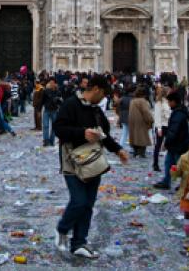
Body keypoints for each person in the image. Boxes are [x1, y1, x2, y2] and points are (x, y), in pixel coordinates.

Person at [54, 75, 128, 258]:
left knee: (88, 204)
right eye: (103, 94)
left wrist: (118, 150)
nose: (104, 99)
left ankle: (79, 242)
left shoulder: (96, 111)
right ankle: (62, 229)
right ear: (95, 89)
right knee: (78, 200)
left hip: (93, 162)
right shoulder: (71, 104)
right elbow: (59, 129)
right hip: (72, 163)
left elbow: (104, 135)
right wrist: (82, 133)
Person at [153, 90, 189, 190]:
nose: (169, 104)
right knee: (168, 163)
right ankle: (166, 181)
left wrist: (166, 142)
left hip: (178, 145)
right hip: (176, 144)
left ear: (174, 101)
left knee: (180, 165)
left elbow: (174, 130)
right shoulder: (179, 111)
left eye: (169, 102)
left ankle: (185, 184)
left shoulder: (178, 114)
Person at [128, 86, 154, 158]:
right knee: (142, 136)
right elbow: (146, 112)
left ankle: (135, 151)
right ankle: (141, 153)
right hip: (140, 121)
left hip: (132, 121)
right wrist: (150, 120)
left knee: (134, 136)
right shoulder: (142, 101)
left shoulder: (132, 101)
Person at [153, 85, 171, 172]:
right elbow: (157, 116)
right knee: (158, 146)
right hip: (162, 126)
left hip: (168, 126)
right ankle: (155, 164)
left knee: (170, 145)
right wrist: (159, 128)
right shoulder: (159, 102)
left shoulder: (168, 102)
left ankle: (171, 163)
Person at [42, 77, 62, 147]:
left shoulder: (58, 91)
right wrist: (40, 107)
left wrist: (58, 101)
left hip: (54, 111)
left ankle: (52, 140)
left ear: (55, 84)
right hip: (46, 110)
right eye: (50, 83)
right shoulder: (46, 91)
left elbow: (60, 102)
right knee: (45, 126)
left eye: (53, 83)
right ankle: (46, 140)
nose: (51, 84)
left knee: (54, 127)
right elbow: (42, 100)